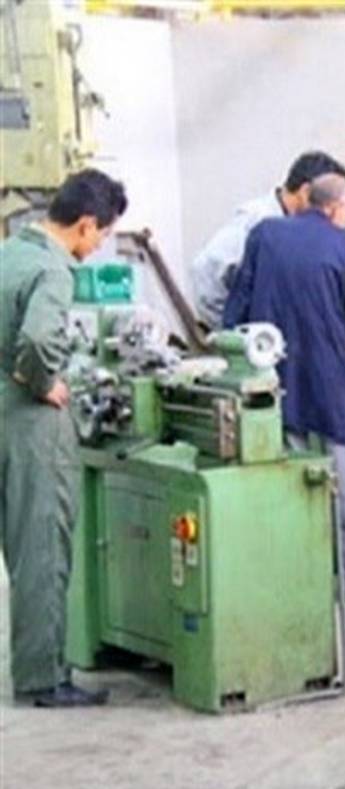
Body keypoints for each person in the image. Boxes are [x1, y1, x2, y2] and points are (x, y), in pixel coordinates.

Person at [1, 169, 127, 707]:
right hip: (30, 421)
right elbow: (37, 339)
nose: (98, 246)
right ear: (85, 224)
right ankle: (43, 678)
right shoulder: (54, 271)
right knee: (41, 548)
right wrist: (42, 380)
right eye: (103, 235)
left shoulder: (9, 252)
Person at [223, 174, 345, 603]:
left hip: (270, 373)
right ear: (335, 209)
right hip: (327, 372)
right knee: (343, 473)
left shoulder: (265, 234)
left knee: (286, 474)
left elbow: (235, 309)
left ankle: (293, 572)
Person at [192, 151, 345, 330]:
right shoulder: (255, 221)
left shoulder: (297, 228)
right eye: (330, 202)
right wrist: (232, 331)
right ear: (306, 192)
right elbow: (205, 271)